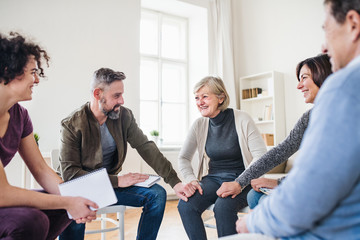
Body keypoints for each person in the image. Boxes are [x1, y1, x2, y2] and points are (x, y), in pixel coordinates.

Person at [225, 0, 360, 239]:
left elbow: (312, 190)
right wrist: (242, 181)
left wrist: (255, 222)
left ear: (353, 24)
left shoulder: (345, 88)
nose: (324, 45)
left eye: (327, 29)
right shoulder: (313, 116)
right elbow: (281, 153)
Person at [58, 67, 191, 240]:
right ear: (98, 94)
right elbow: (70, 174)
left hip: (111, 187)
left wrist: (174, 182)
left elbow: (145, 147)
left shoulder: (124, 116)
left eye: (122, 95)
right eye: (116, 96)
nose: (122, 100)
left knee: (157, 195)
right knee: (72, 213)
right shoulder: (71, 124)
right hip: (81, 190)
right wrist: (118, 180)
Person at [0, 32, 97, 240]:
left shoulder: (20, 116)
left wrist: (73, 200)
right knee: (34, 220)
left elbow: (41, 169)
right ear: (8, 71)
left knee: (62, 207)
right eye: (33, 72)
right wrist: (69, 201)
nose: (36, 79)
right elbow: (3, 193)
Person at [217, 54, 332, 210]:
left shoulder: (340, 115)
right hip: (309, 184)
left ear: (323, 75)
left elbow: (325, 169)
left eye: (304, 78)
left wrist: (279, 183)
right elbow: (280, 151)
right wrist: (239, 182)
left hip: (325, 188)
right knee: (254, 195)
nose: (299, 86)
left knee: (266, 203)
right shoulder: (309, 117)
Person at [177, 76, 267, 239]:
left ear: (221, 97)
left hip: (242, 180)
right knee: (186, 205)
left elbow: (260, 156)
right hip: (213, 179)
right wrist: (192, 180)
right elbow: (183, 158)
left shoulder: (242, 119)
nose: (200, 102)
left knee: (222, 207)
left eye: (205, 96)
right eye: (196, 98)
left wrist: (239, 182)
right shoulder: (199, 125)